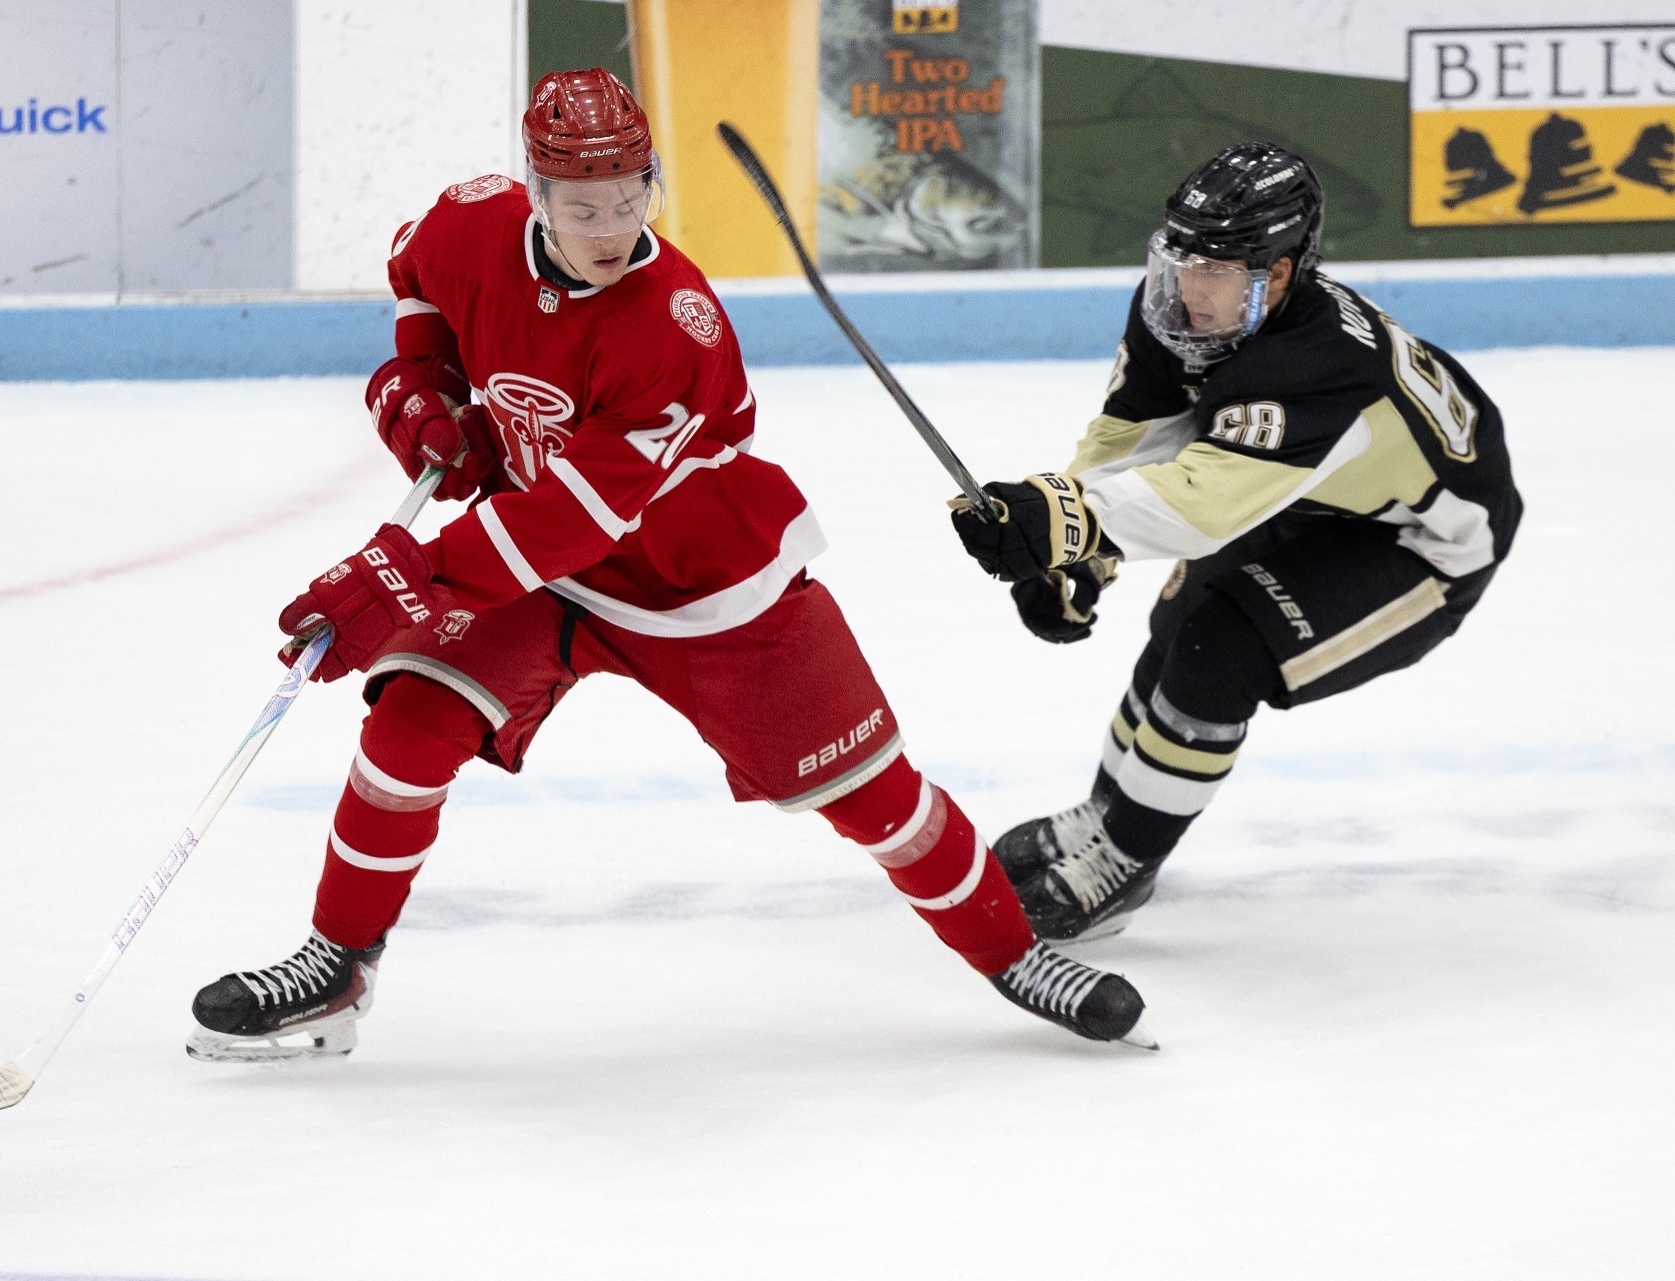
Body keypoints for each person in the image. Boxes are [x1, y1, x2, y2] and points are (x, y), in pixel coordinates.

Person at [184, 69, 1153, 1060]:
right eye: (580, 206)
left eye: (628, 198)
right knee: (409, 726)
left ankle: (1011, 954)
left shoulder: (672, 328)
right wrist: (427, 390)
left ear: (652, 183)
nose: (609, 229)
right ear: (533, 194)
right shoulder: (467, 221)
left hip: (701, 589)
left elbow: (571, 519)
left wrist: (401, 578)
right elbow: (414, 280)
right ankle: (337, 968)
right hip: (540, 578)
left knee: (872, 795)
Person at [951, 142, 1522, 942]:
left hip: (1422, 540)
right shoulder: (1179, 307)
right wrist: (1075, 546)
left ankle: (1125, 859)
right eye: (1182, 260)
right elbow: (1132, 437)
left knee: (1219, 654)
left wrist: (1066, 519)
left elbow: (1207, 503)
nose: (1190, 288)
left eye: (1217, 269)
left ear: (1281, 273)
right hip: (1315, 495)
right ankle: (1108, 810)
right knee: (1177, 622)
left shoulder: (1321, 364)